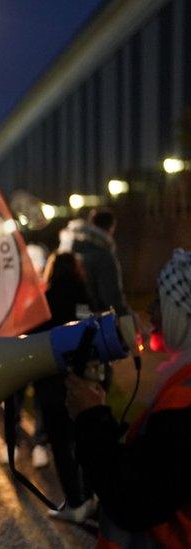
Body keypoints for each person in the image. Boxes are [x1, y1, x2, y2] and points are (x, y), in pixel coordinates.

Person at [66, 248, 191, 547]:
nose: (150, 309)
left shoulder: (184, 399)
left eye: (160, 301)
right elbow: (153, 469)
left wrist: (90, 417)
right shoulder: (180, 381)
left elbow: (134, 500)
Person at [31, 252, 96, 523]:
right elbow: (90, 332)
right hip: (82, 380)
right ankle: (91, 495)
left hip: (51, 380)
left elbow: (34, 338)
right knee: (85, 441)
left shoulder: (45, 299)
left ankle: (74, 501)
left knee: (61, 444)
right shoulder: (85, 295)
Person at [62, 208, 129, 316]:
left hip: (69, 316)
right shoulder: (103, 255)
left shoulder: (68, 249)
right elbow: (110, 296)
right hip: (96, 319)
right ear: (111, 227)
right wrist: (126, 316)